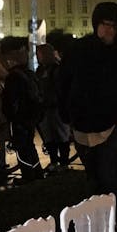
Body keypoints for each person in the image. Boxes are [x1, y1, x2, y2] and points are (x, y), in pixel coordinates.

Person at [56, 1, 117, 220]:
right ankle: (97, 220)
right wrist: (67, 115)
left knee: (110, 176)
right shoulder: (80, 50)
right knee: (93, 177)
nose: (108, 29)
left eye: (113, 25)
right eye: (104, 24)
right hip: (83, 126)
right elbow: (62, 82)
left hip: (115, 125)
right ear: (96, 24)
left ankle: (112, 222)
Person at [0, 35, 43, 180]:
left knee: (21, 147)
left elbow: (10, 101)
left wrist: (9, 115)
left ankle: (28, 176)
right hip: (31, 116)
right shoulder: (28, 73)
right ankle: (37, 173)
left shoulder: (13, 76)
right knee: (29, 145)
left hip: (19, 118)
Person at [33, 41, 71, 170]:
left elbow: (61, 89)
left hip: (56, 108)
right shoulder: (41, 69)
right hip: (46, 108)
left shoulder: (56, 69)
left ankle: (64, 163)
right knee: (49, 137)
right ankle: (54, 161)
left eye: (40, 54)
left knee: (61, 136)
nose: (38, 56)